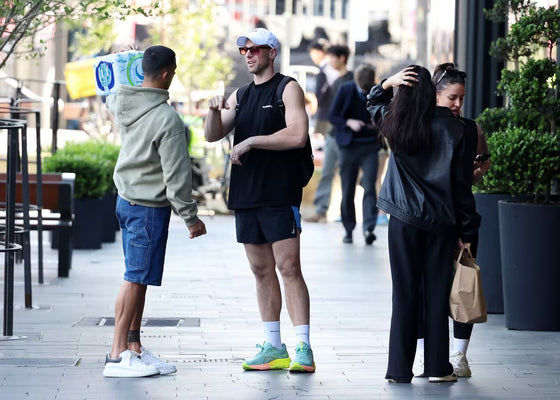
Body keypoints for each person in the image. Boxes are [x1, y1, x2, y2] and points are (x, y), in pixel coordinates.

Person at [204, 28, 315, 373]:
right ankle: (273, 345)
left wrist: (252, 141)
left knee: (289, 268)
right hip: (247, 194)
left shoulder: (288, 87)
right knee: (260, 270)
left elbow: (297, 135)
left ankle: (303, 347)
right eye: (244, 50)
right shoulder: (241, 94)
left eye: (255, 49)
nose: (249, 54)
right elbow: (212, 134)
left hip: (279, 193)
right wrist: (211, 111)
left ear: (272, 52)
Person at [367, 65, 480, 383]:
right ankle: (436, 368)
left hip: (402, 221)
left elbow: (372, 103)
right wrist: (467, 231)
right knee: (436, 294)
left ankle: (399, 370)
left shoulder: (397, 122)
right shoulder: (461, 130)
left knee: (403, 294)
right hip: (441, 224)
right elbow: (461, 189)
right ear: (434, 93)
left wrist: (386, 82)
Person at [103, 45, 207, 378]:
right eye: (173, 73)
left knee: (140, 277)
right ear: (166, 74)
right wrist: (191, 218)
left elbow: (111, 92)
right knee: (135, 279)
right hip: (148, 208)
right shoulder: (167, 119)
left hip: (126, 200)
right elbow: (177, 177)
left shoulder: (122, 101)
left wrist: (124, 62)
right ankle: (117, 354)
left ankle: (133, 346)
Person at [427, 62, 490, 378]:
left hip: (461, 216)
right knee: (435, 286)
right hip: (433, 218)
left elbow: (480, 165)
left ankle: (459, 356)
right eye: (452, 97)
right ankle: (435, 355)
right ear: (436, 94)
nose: (457, 104)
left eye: (461, 98)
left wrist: (476, 172)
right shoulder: (421, 125)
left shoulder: (470, 128)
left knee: (464, 283)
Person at [328, 63, 381, 245]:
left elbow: (387, 115)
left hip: (370, 145)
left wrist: (378, 123)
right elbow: (333, 116)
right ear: (356, 81)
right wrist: (349, 122)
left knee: (369, 185)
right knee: (348, 187)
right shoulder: (346, 89)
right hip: (349, 145)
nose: (364, 92)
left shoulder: (377, 90)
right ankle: (348, 229)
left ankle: (368, 228)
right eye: (362, 89)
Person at [306, 45, 353, 223]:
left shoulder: (350, 79)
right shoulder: (335, 79)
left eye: (332, 57)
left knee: (346, 174)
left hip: (346, 135)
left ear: (342, 58)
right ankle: (321, 210)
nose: (330, 61)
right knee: (327, 171)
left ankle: (344, 212)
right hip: (333, 133)